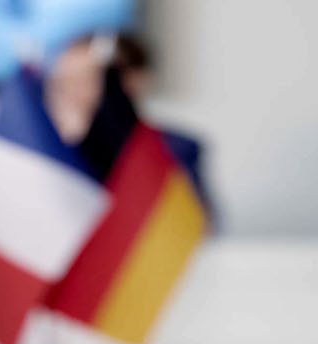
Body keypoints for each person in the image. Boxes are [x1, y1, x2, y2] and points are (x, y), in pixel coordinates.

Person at [46, 33, 217, 230]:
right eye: (62, 82)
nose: (70, 93)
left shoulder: (175, 148)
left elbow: (198, 226)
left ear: (132, 81)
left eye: (84, 81)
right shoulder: (41, 153)